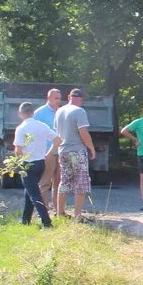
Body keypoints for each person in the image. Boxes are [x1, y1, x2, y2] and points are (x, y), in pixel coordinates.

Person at [13, 101, 59, 228]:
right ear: (33, 112)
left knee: (34, 194)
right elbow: (57, 140)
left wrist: (18, 160)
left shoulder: (21, 128)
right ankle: (25, 220)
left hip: (28, 164)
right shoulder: (42, 126)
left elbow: (18, 149)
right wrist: (49, 154)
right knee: (29, 190)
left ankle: (47, 222)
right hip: (41, 163)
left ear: (20, 114)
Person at [54, 88, 96, 221]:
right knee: (81, 183)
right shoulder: (79, 111)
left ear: (69, 97)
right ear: (81, 99)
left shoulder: (59, 111)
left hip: (63, 150)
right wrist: (91, 148)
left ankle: (60, 213)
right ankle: (77, 216)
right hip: (77, 150)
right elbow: (83, 132)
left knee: (64, 181)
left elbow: (57, 132)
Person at [33, 88, 62, 216]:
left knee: (59, 181)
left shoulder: (60, 112)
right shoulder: (40, 113)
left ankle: (58, 210)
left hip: (60, 150)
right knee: (45, 182)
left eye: (59, 99)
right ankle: (43, 211)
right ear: (49, 98)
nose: (58, 101)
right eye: (55, 98)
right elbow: (33, 131)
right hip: (47, 151)